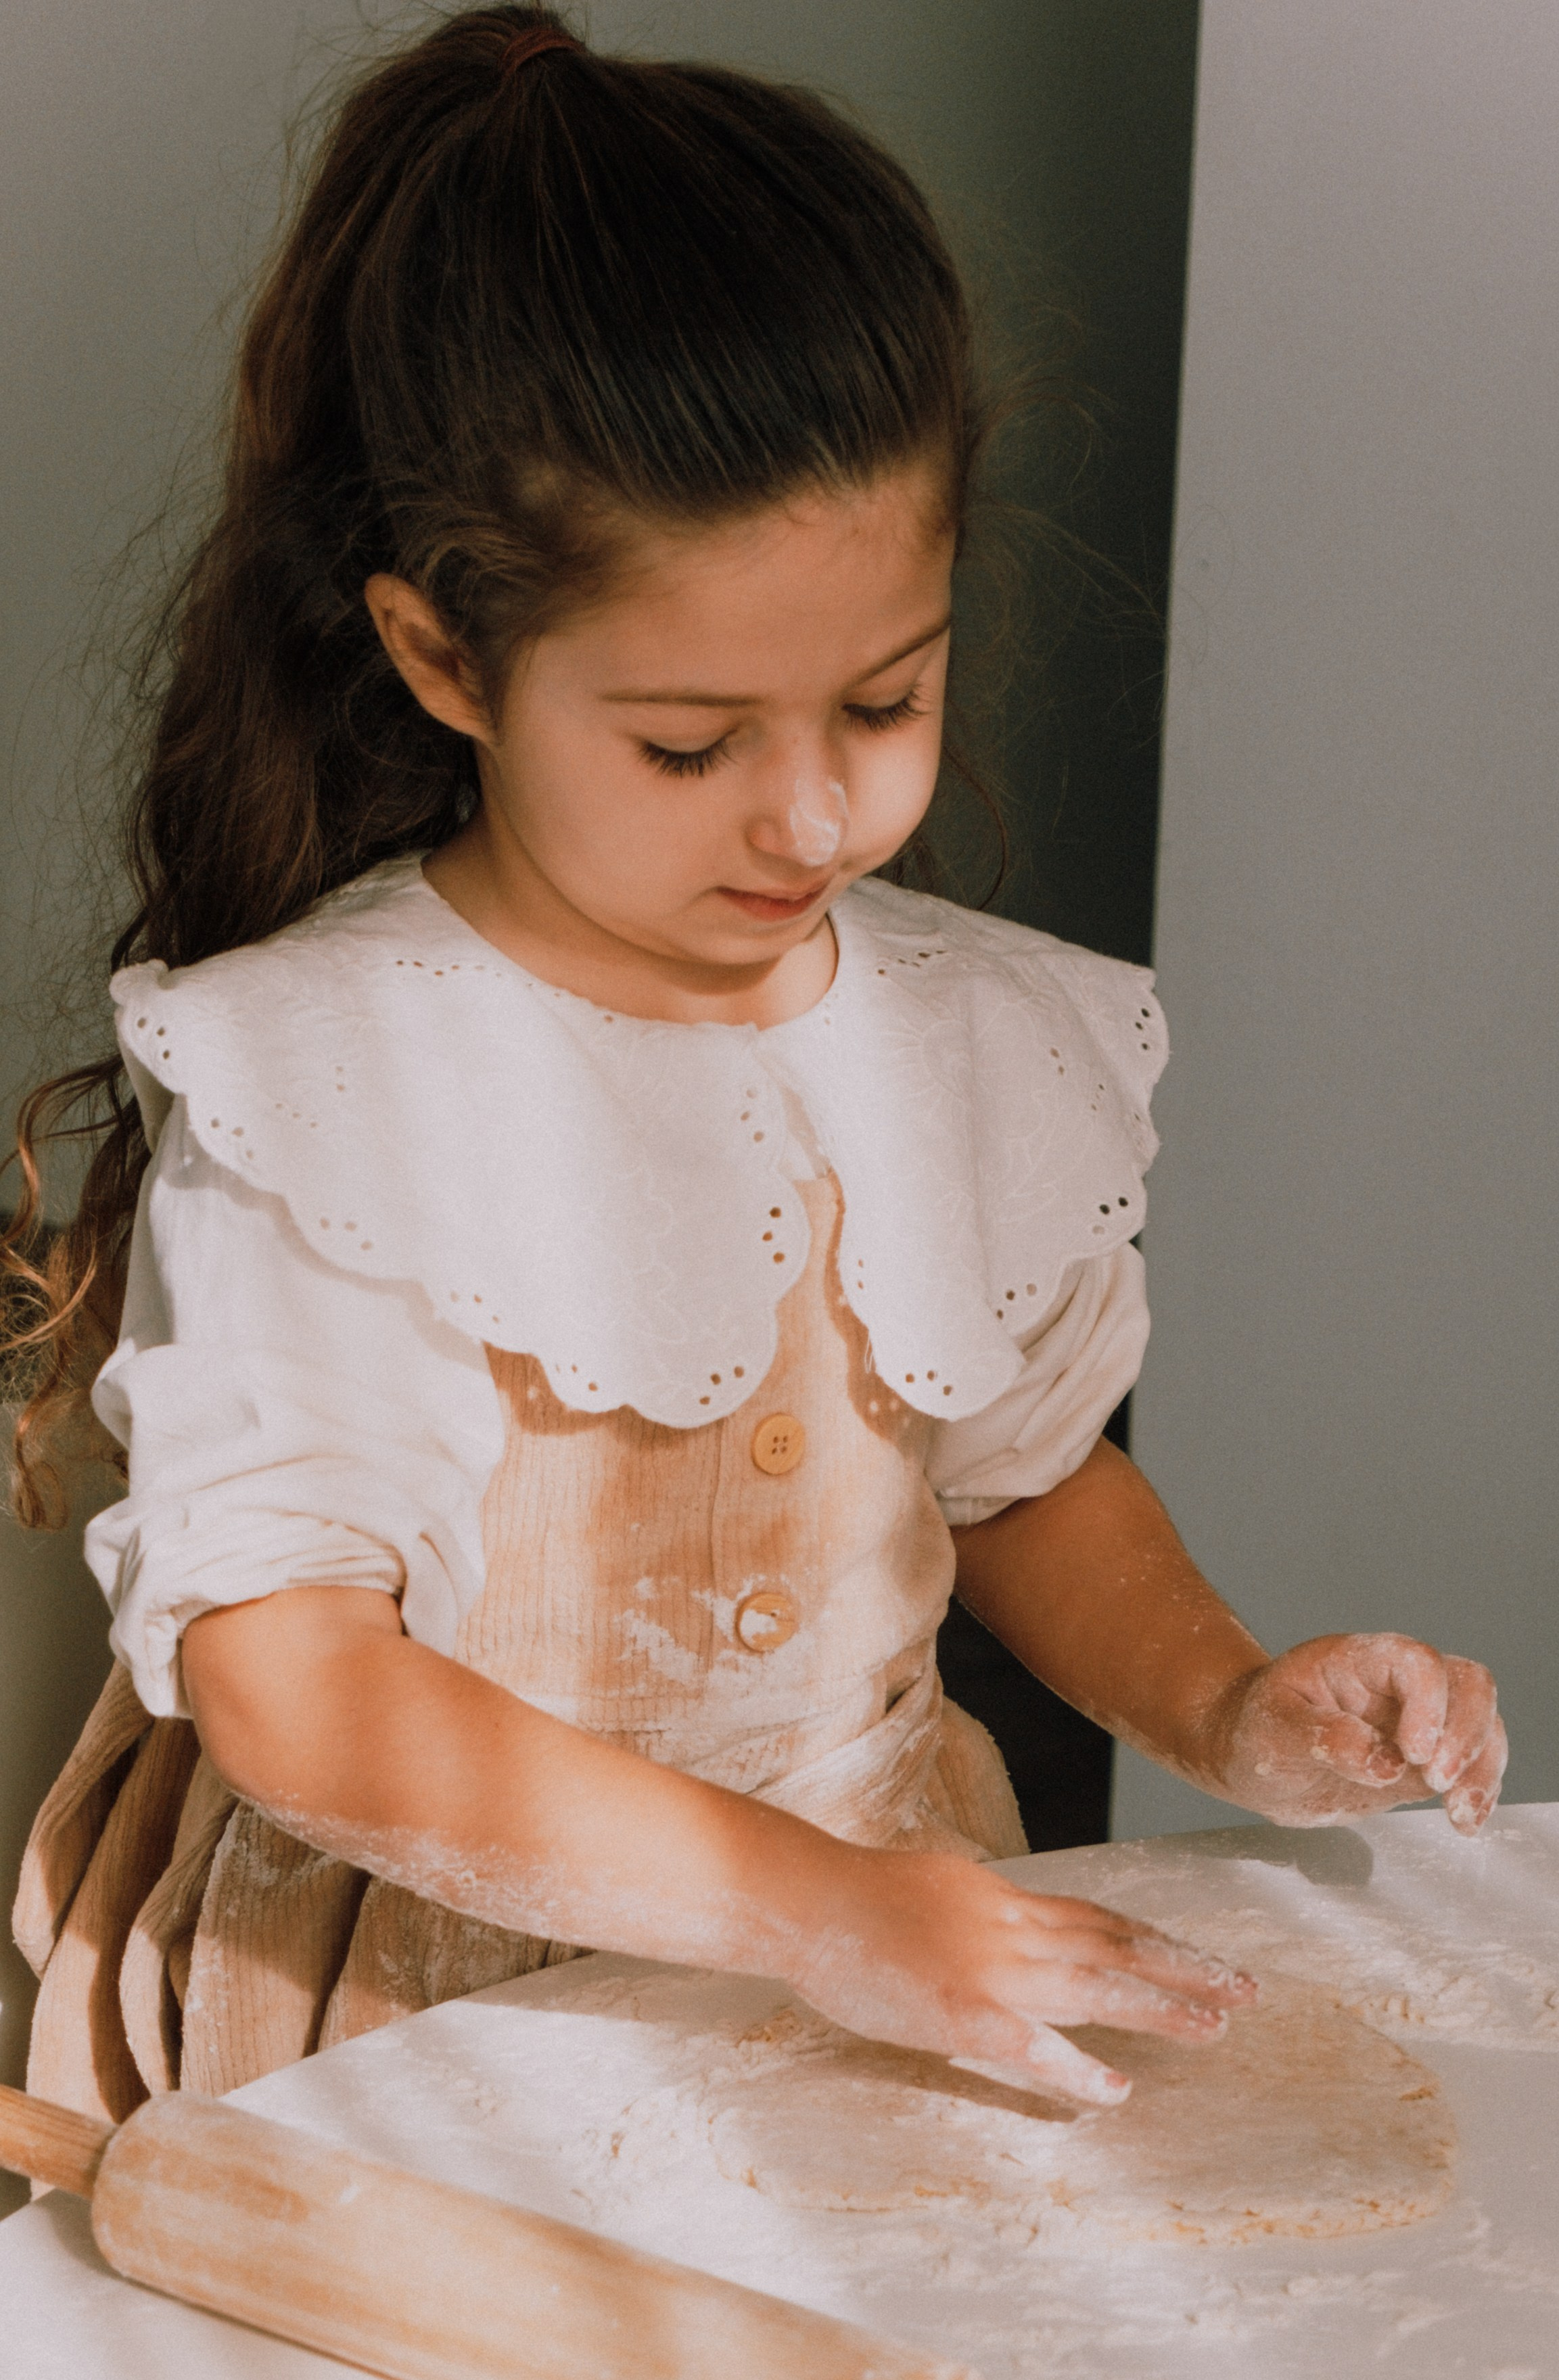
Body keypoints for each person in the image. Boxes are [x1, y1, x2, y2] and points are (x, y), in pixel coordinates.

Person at [5, 9, 1504, 2131]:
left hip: (890, 1944)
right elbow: (297, 1691)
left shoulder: (975, 1044)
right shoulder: (334, 1082)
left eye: (884, 703)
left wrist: (1231, 1701)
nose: (811, 819)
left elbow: (1029, 1487)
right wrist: (809, 1909)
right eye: (691, 746)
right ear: (445, 655)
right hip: (438, 2027)